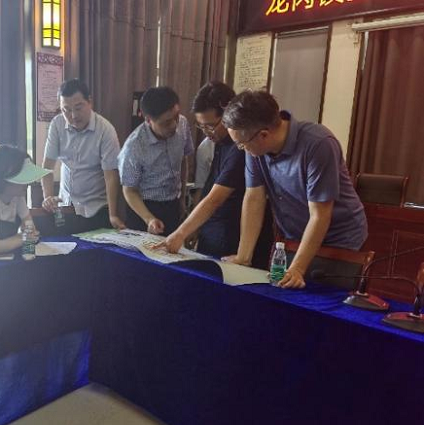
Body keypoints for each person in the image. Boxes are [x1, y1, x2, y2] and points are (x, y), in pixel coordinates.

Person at [222, 90, 367, 289]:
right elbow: (254, 197)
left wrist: (297, 268)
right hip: (295, 236)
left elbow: (320, 214)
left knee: (323, 298)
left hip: (339, 239)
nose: (242, 149)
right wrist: (243, 257)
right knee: (285, 290)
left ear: (263, 135)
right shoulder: (255, 147)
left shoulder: (318, 144)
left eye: (241, 145)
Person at [158, 82, 272, 268]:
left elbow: (216, 198)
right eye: (201, 126)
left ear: (227, 114)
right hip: (214, 230)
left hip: (234, 235)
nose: (207, 132)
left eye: (210, 126)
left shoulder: (242, 146)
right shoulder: (219, 141)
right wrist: (194, 227)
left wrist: (180, 233)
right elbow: (208, 188)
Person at [42, 78, 125, 233]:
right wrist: (48, 197)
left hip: (96, 209)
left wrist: (113, 214)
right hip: (66, 206)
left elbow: (111, 176)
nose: (73, 115)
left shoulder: (105, 130)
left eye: (78, 108)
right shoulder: (57, 125)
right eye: (66, 110)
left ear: (90, 102)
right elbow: (47, 167)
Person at [118, 86, 193, 236]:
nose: (174, 125)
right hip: (144, 208)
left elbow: (183, 159)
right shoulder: (134, 147)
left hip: (173, 203)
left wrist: (182, 198)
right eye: (166, 123)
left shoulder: (183, 124)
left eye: (176, 117)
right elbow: (129, 190)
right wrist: (149, 219)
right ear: (148, 120)